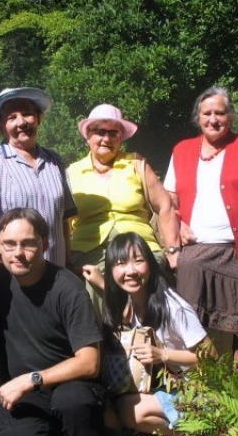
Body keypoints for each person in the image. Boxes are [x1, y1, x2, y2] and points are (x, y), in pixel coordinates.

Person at [0, 208, 109, 436]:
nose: (19, 253)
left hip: (71, 384)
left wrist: (32, 379)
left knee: (73, 401)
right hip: (26, 395)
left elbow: (90, 362)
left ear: (45, 243)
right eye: (10, 244)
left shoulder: (67, 287)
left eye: (29, 243)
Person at [163, 86, 238, 359]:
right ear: (198, 117)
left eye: (220, 113)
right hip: (196, 252)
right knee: (193, 327)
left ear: (230, 116)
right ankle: (202, 390)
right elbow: (168, 202)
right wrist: (174, 241)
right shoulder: (181, 150)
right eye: (207, 113)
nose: (213, 119)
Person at [84, 233, 212, 436]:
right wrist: (102, 284)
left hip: (198, 392)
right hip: (169, 387)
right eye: (120, 264)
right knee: (114, 407)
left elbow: (211, 357)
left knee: (132, 410)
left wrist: (162, 354)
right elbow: (124, 312)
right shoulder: (134, 302)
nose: (131, 271)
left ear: (151, 265)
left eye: (138, 261)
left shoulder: (173, 307)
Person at [68, 104, 180, 316]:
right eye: (100, 131)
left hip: (140, 245)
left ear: (121, 138)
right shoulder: (72, 173)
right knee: (89, 280)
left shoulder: (136, 164)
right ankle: (97, 344)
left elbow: (165, 205)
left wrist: (173, 250)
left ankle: (148, 340)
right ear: (88, 135)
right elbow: (63, 221)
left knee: (139, 274)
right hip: (88, 249)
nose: (106, 138)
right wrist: (65, 259)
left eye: (113, 133)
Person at [0, 87, 76, 271]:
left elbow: (64, 220)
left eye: (27, 114)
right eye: (11, 117)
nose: (21, 122)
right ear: (2, 127)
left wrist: (68, 262)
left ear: (38, 118)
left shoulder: (55, 161)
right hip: (13, 277)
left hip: (56, 272)